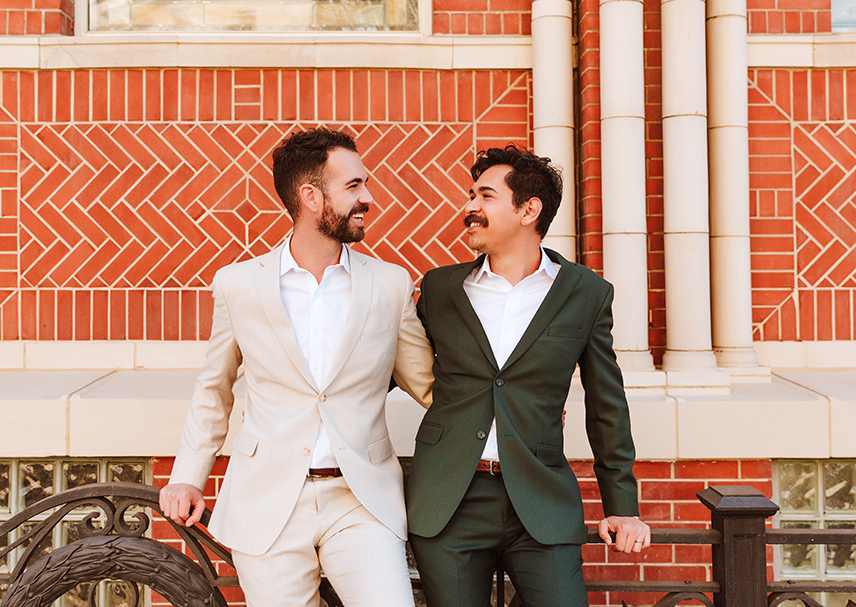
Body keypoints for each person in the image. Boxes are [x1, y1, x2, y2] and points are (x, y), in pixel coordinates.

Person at [159, 127, 433, 607]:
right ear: (310, 196)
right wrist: (188, 475)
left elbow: (429, 384)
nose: (368, 197)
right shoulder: (239, 285)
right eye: (353, 186)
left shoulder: (389, 284)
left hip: (362, 501)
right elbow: (214, 387)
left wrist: (515, 409)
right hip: (268, 504)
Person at [406, 145, 651, 607]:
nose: (469, 208)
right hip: (449, 502)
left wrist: (622, 506)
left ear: (528, 210)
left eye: (485, 196)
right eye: (470, 195)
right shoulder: (439, 289)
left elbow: (606, 406)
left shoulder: (586, 293)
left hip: (541, 501)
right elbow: (391, 369)